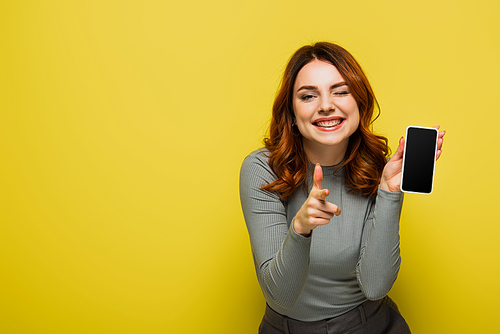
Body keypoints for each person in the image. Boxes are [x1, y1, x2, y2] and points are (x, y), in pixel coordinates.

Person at [239, 42, 445, 334]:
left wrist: (389, 192)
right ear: (292, 113)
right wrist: (300, 228)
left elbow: (375, 285)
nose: (326, 105)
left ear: (359, 103)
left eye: (341, 91)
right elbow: (280, 296)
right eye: (308, 95)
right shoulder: (263, 170)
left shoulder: (378, 169)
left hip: (370, 325)